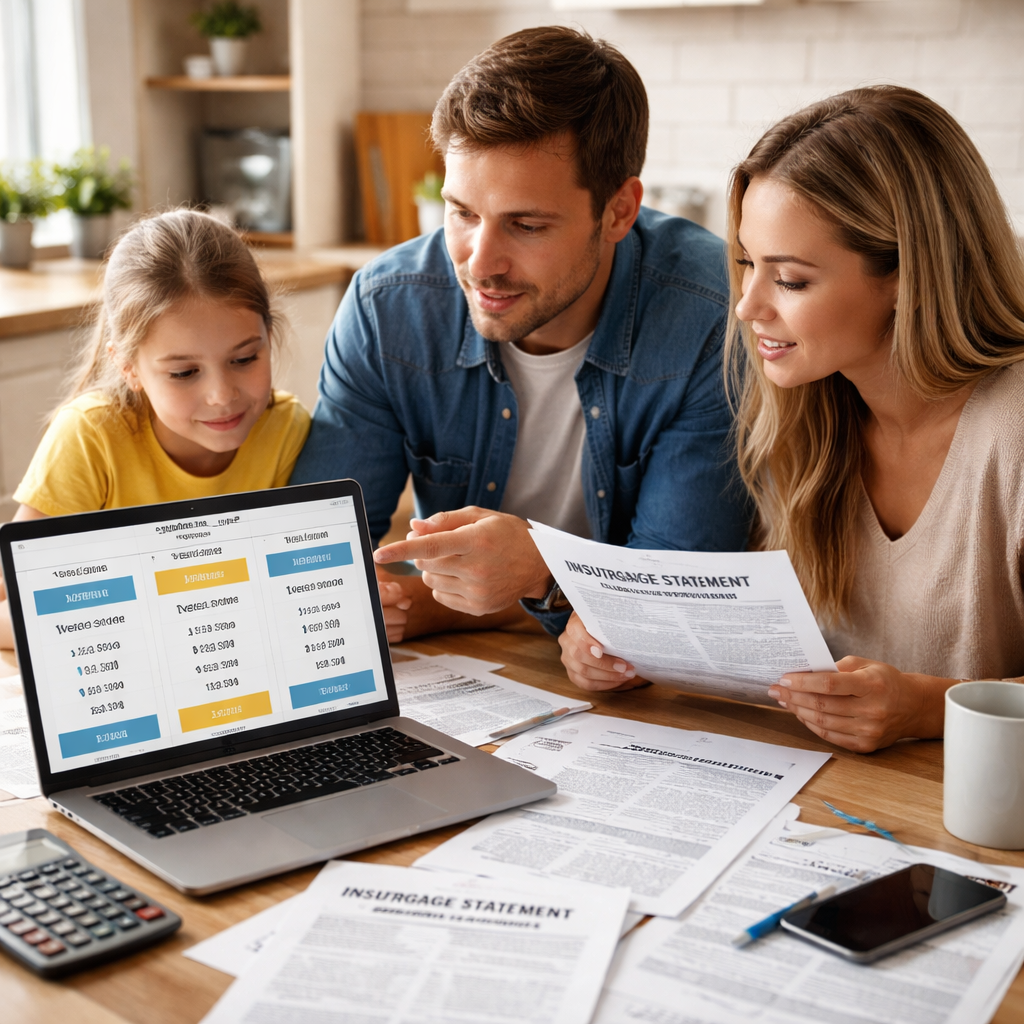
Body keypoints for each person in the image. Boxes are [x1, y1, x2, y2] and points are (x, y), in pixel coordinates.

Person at [567, 85, 1024, 751]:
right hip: (835, 808)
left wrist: (928, 708)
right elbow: (773, 650)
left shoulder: (1010, 431)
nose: (747, 307)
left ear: (907, 274)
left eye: (791, 280)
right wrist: (633, 643)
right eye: (747, 264)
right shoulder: (809, 412)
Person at [290, 26, 751, 653]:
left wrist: (540, 572)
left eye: (526, 225)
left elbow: (677, 599)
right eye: (462, 213)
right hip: (487, 664)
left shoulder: (710, 318)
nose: (481, 263)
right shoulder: (387, 306)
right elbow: (312, 558)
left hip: (639, 688)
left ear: (619, 210)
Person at [0, 209, 319, 648]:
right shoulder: (91, 436)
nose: (222, 395)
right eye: (185, 373)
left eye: (244, 359)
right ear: (128, 367)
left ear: (268, 334)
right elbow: (9, 596)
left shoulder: (287, 428)